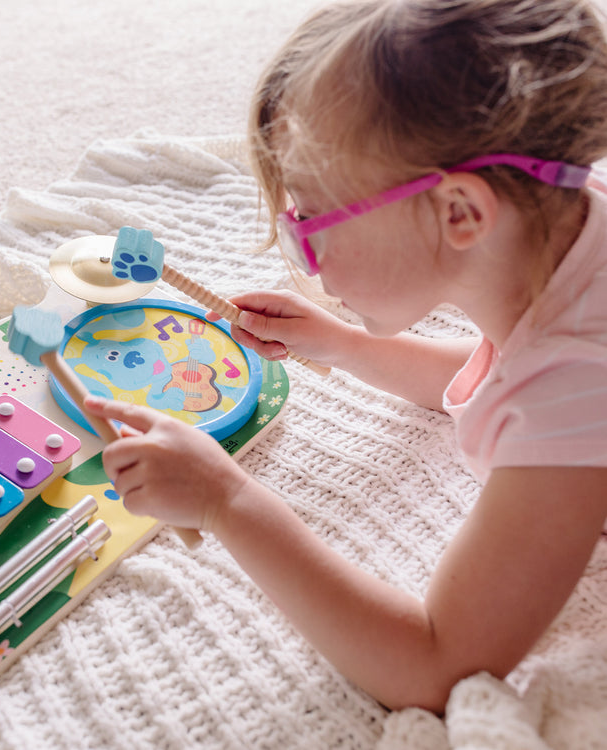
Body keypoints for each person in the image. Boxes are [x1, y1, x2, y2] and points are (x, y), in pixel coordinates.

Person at [84, 0, 607, 712]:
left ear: (459, 213)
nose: (305, 259)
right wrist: (348, 346)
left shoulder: (576, 388)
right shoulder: (564, 217)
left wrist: (227, 500)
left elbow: (436, 664)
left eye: (311, 225)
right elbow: (496, 375)